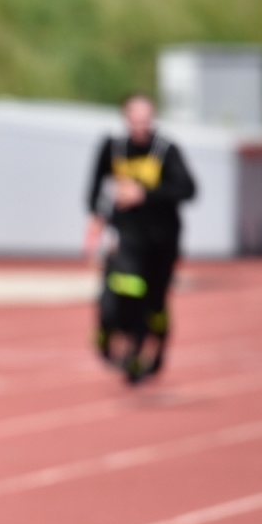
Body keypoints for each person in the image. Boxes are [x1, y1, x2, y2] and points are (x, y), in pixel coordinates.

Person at [83, 93, 196, 384]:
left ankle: (155, 349)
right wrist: (96, 219)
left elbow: (188, 189)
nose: (141, 126)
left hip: (161, 240)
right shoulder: (114, 148)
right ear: (126, 119)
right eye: (135, 119)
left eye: (146, 119)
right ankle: (115, 333)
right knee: (123, 288)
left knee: (155, 301)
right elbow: (95, 187)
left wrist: (144, 194)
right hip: (127, 238)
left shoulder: (165, 150)